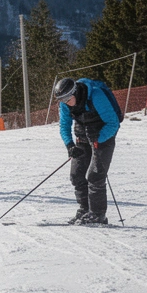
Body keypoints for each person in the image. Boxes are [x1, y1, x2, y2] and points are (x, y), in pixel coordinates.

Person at [54, 76, 122, 225]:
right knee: (76, 174)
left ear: (75, 92)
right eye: (62, 100)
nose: (65, 103)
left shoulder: (96, 95)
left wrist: (98, 138)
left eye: (67, 98)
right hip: (83, 138)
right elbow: (64, 126)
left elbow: (113, 123)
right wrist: (70, 145)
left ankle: (98, 214)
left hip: (104, 137)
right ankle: (85, 210)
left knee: (95, 176)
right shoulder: (65, 104)